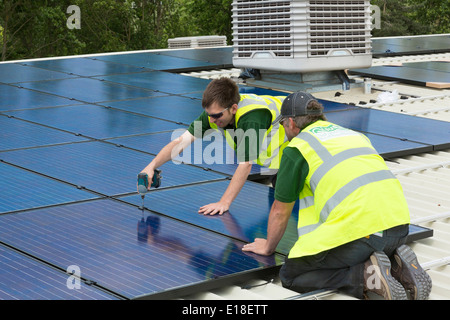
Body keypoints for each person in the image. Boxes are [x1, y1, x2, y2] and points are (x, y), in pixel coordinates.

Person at [242, 91, 432, 300]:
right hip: (400, 227)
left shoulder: (297, 148)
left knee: (291, 275)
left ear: (291, 123)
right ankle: (396, 263)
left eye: (284, 125)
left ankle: (365, 277)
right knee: (366, 243)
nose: (284, 130)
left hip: (364, 236)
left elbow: (280, 210)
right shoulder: (352, 134)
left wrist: (269, 246)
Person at [139, 77, 288, 215]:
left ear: (233, 109)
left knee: (289, 206)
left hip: (297, 145)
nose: (211, 120)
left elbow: (245, 165)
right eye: (208, 114)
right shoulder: (214, 114)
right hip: (277, 159)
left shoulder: (251, 118)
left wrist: (224, 202)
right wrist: (151, 166)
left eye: (216, 116)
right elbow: (181, 142)